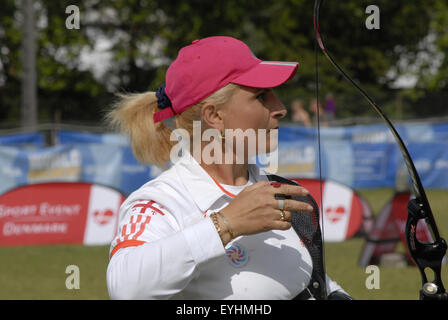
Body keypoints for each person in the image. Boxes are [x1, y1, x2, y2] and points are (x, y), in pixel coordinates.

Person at [105, 36, 351, 300]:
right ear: (215, 116)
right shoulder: (161, 201)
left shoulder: (280, 191)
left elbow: (308, 283)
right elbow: (125, 288)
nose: (279, 108)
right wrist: (225, 224)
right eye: (261, 96)